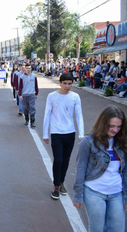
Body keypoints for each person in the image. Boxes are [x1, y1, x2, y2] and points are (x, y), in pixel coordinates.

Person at [73, 105, 127, 232]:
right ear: (103, 123)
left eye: (119, 127)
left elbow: (125, 172)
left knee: (118, 229)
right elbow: (80, 168)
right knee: (97, 229)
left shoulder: (122, 142)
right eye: (112, 126)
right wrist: (77, 195)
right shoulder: (88, 141)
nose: (115, 130)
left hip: (116, 192)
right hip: (94, 192)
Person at [43, 72, 84, 200]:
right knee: (58, 159)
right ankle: (55, 185)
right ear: (59, 83)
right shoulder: (52, 96)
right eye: (65, 83)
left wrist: (81, 133)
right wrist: (45, 133)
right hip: (56, 133)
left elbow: (79, 115)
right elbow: (47, 114)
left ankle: (61, 183)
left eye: (69, 83)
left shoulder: (75, 97)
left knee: (66, 160)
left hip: (70, 132)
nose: (67, 86)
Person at [18, 64, 39, 128]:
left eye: (29, 68)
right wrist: (20, 94)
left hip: (32, 94)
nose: (28, 69)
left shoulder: (34, 76)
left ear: (31, 69)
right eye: (27, 68)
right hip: (24, 95)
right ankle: (27, 119)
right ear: (25, 69)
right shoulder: (22, 77)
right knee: (25, 108)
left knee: (32, 108)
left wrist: (36, 93)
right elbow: (20, 86)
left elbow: (36, 85)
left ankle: (32, 122)